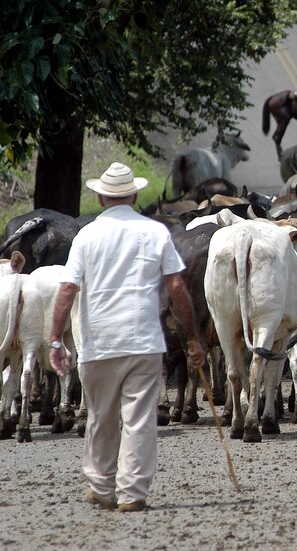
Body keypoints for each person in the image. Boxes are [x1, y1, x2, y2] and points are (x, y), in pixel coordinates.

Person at [48, 162, 206, 513]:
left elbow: (68, 288)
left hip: (97, 341)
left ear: (102, 198)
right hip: (143, 341)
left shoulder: (86, 235)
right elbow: (177, 286)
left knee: (101, 416)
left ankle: (101, 486)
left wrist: (56, 339)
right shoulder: (155, 232)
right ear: (134, 195)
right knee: (139, 419)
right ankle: (132, 493)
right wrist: (193, 338)